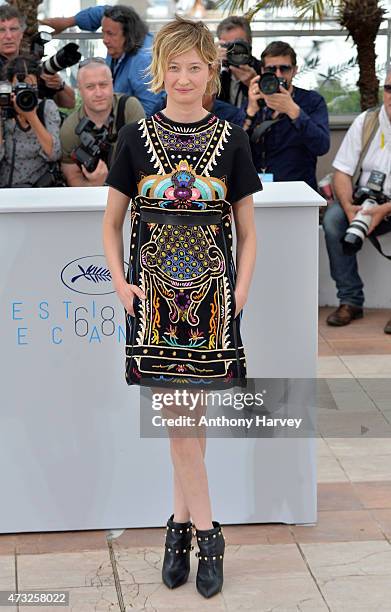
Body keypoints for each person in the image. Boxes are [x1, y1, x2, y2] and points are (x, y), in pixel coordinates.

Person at [102, 16, 261, 598]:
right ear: (159, 70)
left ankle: (180, 530)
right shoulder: (133, 137)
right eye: (174, 66)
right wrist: (121, 285)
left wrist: (241, 291)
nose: (184, 77)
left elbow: (247, 229)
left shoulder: (233, 138)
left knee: (186, 425)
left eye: (196, 67)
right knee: (179, 426)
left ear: (211, 73)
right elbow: (111, 223)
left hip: (213, 302)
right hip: (151, 304)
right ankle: (207, 533)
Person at [322, 74, 391, 333]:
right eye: (388, 88)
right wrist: (350, 209)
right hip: (362, 203)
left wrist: (384, 209)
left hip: (388, 207)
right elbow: (341, 171)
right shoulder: (368, 121)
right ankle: (350, 300)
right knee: (333, 220)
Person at [41, 4, 165, 116]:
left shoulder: (143, 61)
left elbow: (148, 111)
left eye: (110, 34)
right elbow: (99, 13)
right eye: (103, 33)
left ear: (128, 35)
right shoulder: (118, 28)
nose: (105, 40)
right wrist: (68, 22)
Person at [244, 40, 330, 191]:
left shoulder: (312, 101)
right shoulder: (254, 101)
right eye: (271, 69)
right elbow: (233, 149)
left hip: (299, 189)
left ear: (294, 70)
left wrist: (294, 112)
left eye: (284, 69)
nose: (278, 75)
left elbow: (322, 146)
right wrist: (250, 112)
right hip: (258, 189)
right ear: (263, 71)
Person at [60, 57, 145, 187]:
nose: (98, 93)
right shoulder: (70, 129)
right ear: (80, 90)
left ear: (112, 84)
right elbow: (72, 177)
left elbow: (143, 159)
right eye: (90, 87)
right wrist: (94, 185)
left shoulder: (129, 109)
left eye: (103, 85)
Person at [0, 54, 61, 188]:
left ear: (38, 85)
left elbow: (54, 154)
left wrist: (32, 116)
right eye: (19, 87)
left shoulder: (46, 108)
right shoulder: (4, 110)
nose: (25, 93)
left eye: (30, 87)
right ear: (10, 86)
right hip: (5, 192)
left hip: (37, 191)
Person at [0, 5, 75, 109]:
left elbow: (70, 103)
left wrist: (59, 85)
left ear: (21, 33)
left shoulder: (31, 64)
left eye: (13, 29)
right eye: (1, 30)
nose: (8, 36)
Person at [216, 15, 261, 108]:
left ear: (250, 42)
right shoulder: (217, 71)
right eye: (228, 45)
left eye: (238, 43)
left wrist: (254, 84)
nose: (233, 50)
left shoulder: (264, 68)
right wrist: (209, 67)